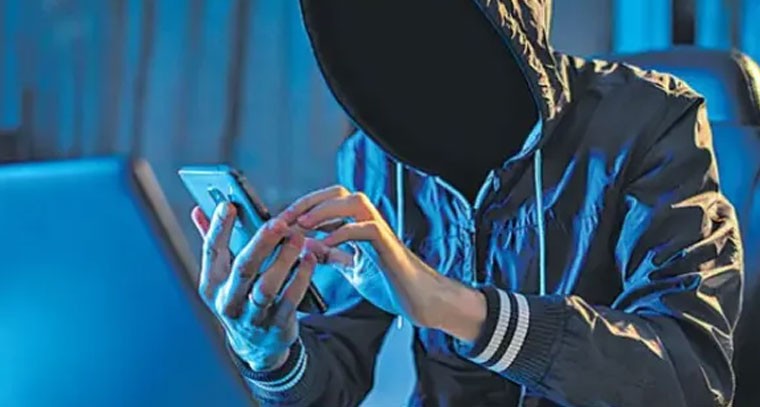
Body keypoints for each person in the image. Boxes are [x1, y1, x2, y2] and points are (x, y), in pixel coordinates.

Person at [190, 1, 743, 406]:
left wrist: (451, 305)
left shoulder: (653, 119)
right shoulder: (373, 159)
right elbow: (334, 371)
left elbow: (691, 377)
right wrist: (271, 354)